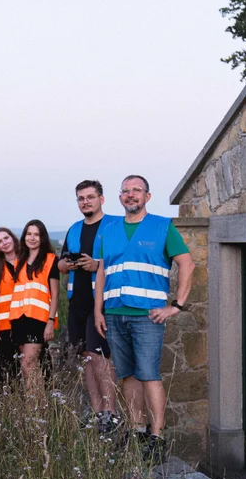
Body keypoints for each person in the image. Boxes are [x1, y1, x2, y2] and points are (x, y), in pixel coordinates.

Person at [94, 175, 194, 464]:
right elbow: (101, 272)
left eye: (136, 190)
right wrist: (98, 310)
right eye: (125, 191)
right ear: (120, 197)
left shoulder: (162, 226)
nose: (130, 195)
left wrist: (177, 305)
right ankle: (136, 430)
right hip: (114, 313)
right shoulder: (109, 230)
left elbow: (187, 263)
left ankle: (157, 436)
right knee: (127, 374)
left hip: (147, 316)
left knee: (149, 374)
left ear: (147, 196)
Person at [58, 180, 118, 433]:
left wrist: (97, 266)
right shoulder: (74, 228)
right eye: (81, 198)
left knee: (100, 358)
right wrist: (67, 265)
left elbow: (119, 260)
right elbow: (60, 263)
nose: (86, 202)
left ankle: (111, 414)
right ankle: (96, 412)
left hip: (101, 302)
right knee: (86, 359)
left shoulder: (114, 226)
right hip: (77, 302)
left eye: (90, 197)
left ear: (101, 199)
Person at [9, 219, 61, 405]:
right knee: (29, 366)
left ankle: (37, 407)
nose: (32, 238)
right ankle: (35, 405)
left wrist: (50, 321)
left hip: (38, 319)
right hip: (19, 318)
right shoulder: (19, 262)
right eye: (29, 234)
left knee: (28, 363)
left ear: (42, 237)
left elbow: (55, 294)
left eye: (36, 234)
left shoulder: (50, 260)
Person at [0, 227, 22, 385]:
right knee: (7, 367)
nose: (4, 243)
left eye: (6, 238)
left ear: (13, 238)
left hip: (25, 320)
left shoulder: (27, 261)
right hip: (4, 325)